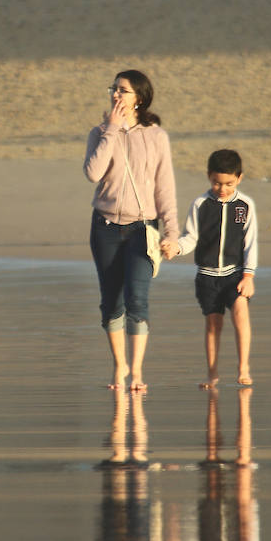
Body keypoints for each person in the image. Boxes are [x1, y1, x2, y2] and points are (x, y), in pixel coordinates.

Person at [84, 69, 180, 393]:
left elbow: (165, 188)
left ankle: (136, 371)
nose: (116, 95)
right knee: (111, 302)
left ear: (139, 97)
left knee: (137, 299)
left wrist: (172, 233)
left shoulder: (156, 136)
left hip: (142, 229)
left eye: (123, 90)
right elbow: (93, 173)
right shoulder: (99, 132)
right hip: (106, 228)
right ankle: (119, 365)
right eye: (113, 88)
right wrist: (111, 130)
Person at [174, 149, 258, 389]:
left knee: (241, 312)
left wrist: (249, 275)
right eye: (217, 183)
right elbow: (189, 238)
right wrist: (176, 248)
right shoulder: (200, 204)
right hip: (207, 276)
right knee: (213, 324)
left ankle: (243, 368)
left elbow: (250, 242)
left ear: (239, 178)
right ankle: (212, 373)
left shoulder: (245, 205)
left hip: (235, 274)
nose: (222, 189)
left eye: (229, 183)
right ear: (209, 176)